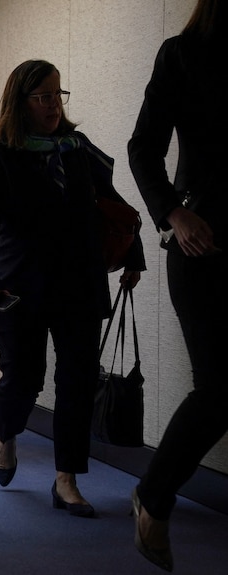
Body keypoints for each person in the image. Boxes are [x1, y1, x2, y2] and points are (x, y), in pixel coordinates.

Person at [0, 60, 144, 516]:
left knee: (78, 382)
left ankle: (66, 479)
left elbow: (113, 206)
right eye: (42, 96)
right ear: (21, 102)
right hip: (18, 285)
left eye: (57, 95)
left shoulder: (76, 148)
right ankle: (6, 435)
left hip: (78, 282)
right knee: (24, 377)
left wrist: (133, 257)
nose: (52, 105)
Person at [127, 0, 226, 570]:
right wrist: (172, 213)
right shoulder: (184, 55)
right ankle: (154, 499)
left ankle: (153, 494)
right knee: (219, 389)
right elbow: (144, 148)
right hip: (202, 245)